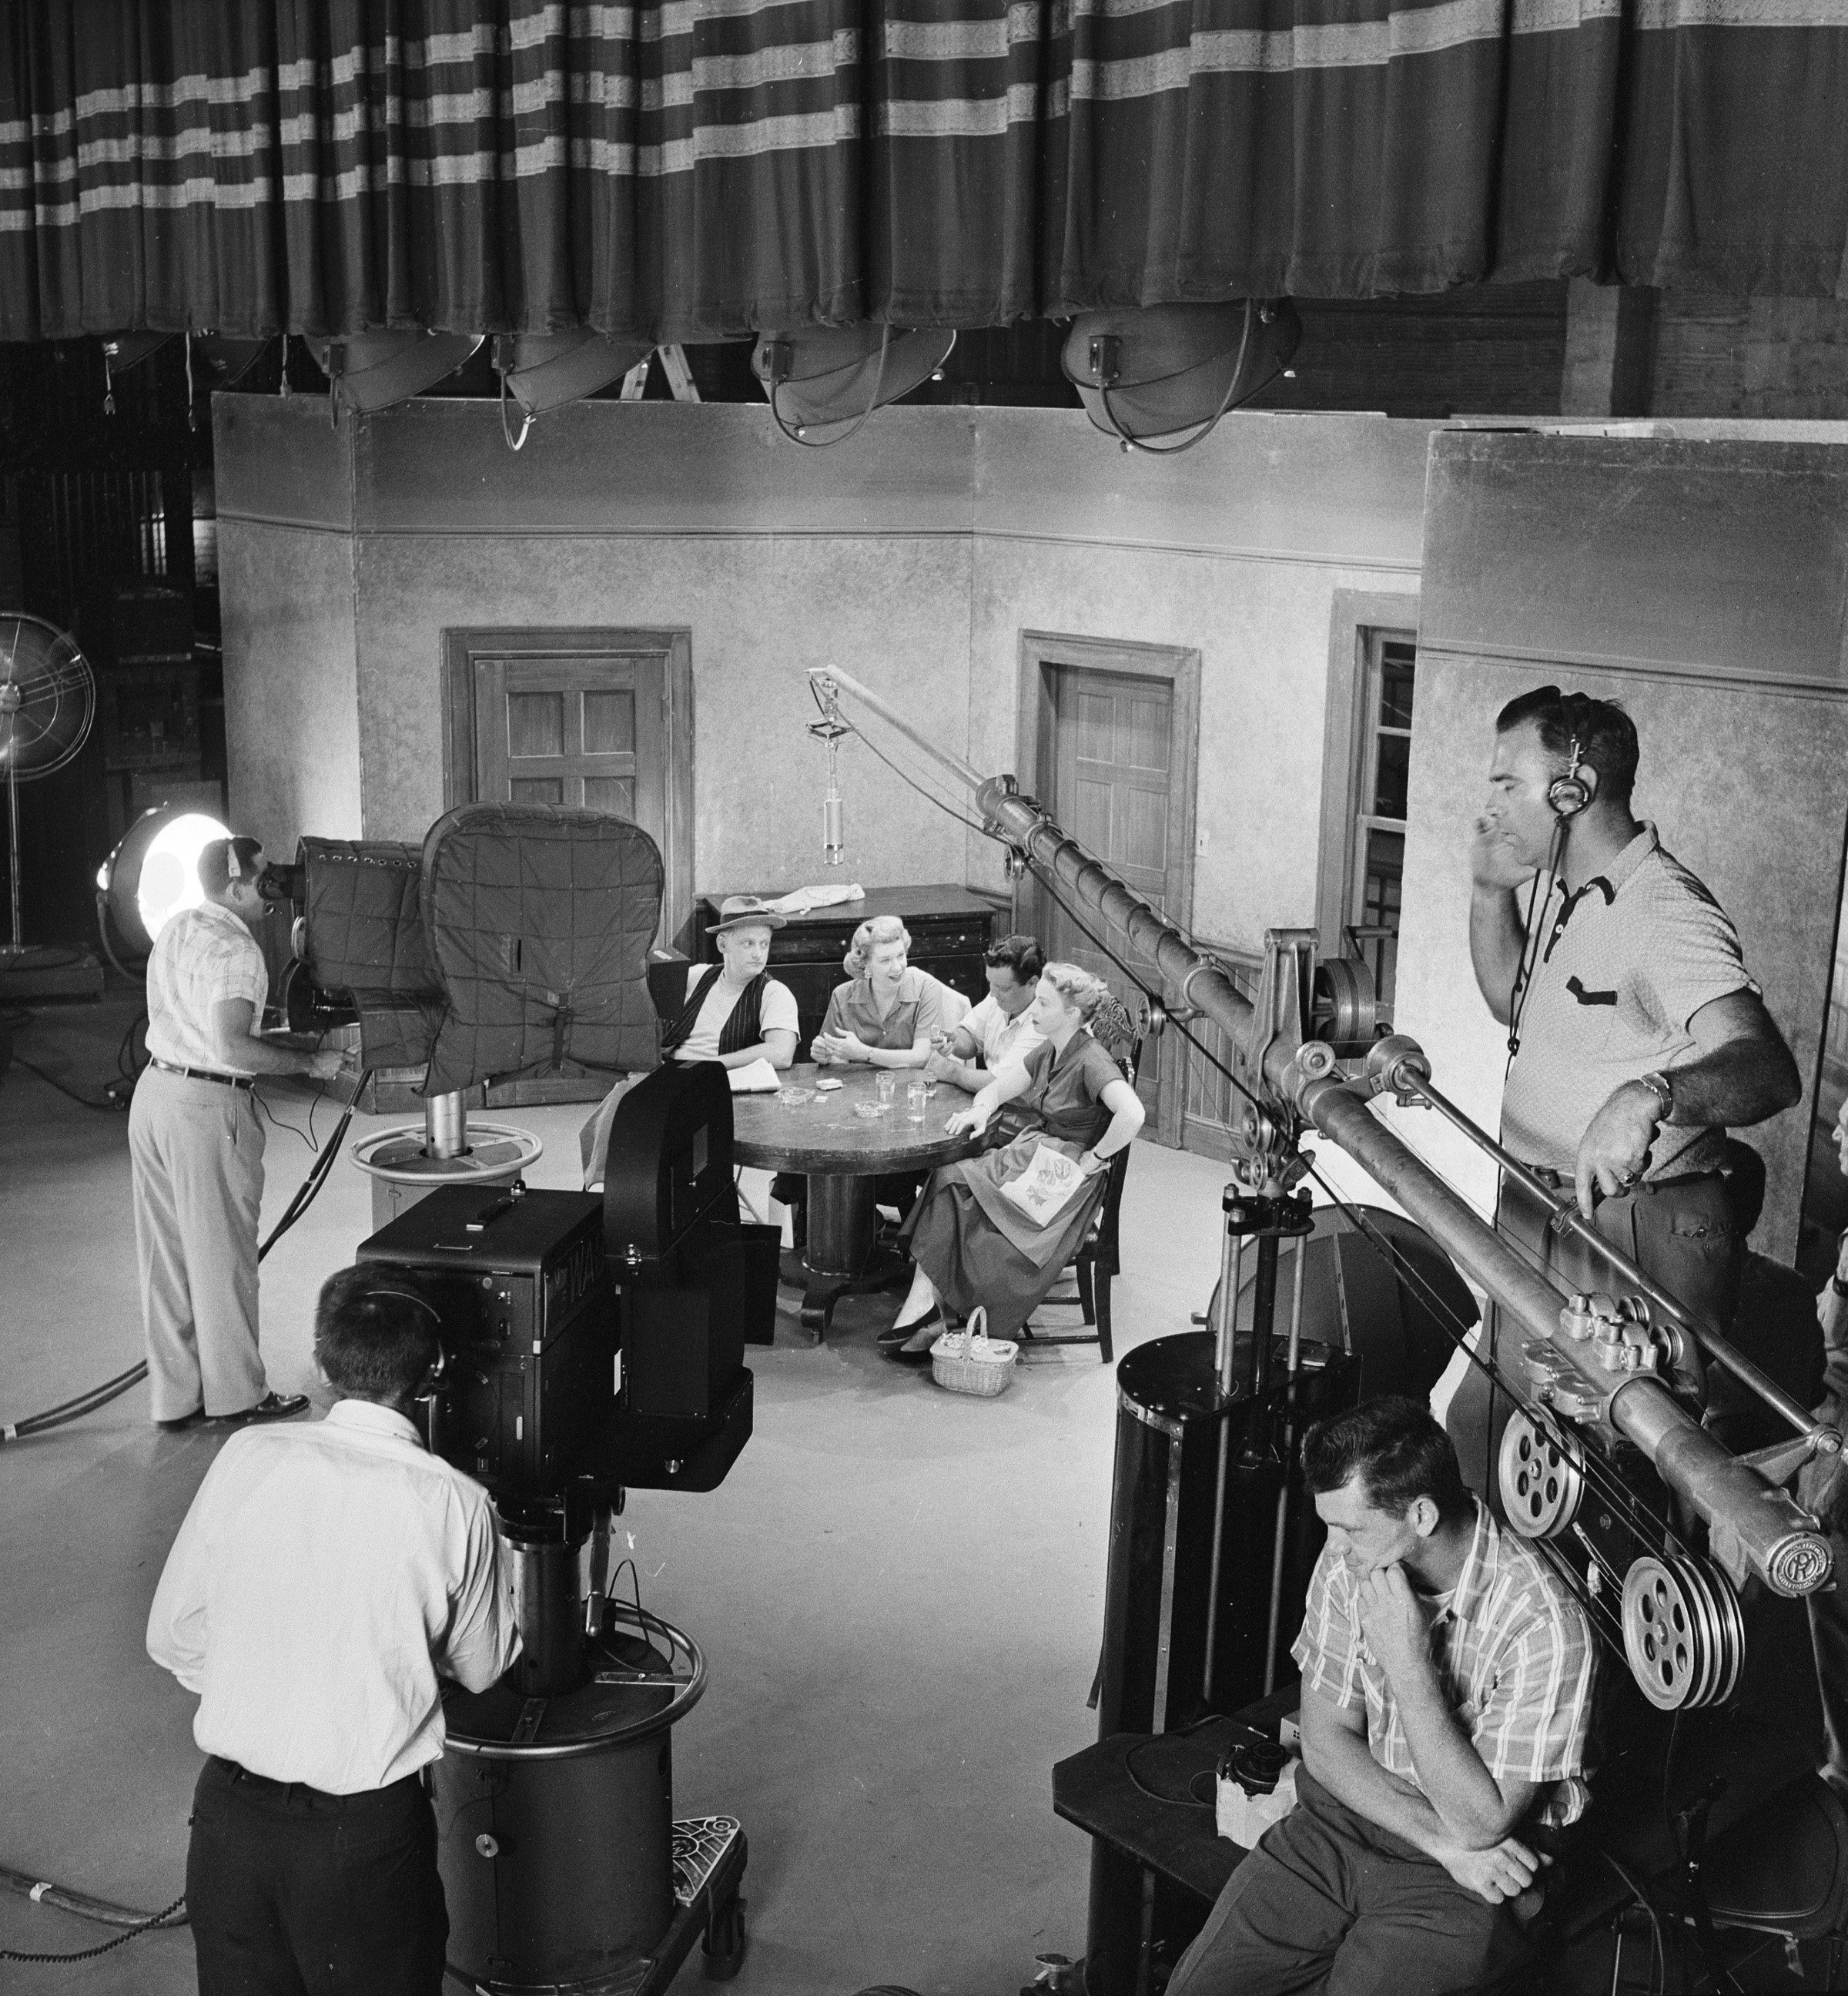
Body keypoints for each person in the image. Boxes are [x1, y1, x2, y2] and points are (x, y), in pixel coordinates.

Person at [1453, 686, 1799, 1483]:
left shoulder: (1662, 910)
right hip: (1543, 1212)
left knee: (1620, 1465)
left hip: (1633, 1226)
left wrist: (1650, 1094)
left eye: (1509, 783)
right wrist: (1487, 891)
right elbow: (1512, 1000)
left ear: (1572, 789)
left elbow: (1766, 1067)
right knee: (1498, 1434)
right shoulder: (1573, 896)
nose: (1492, 803)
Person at [146, 1270, 521, 1995]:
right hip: (360, 1840)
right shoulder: (455, 1503)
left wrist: (276, 1668)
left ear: (320, 1363)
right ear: (434, 1372)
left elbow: (175, 1637)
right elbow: (481, 1669)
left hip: (226, 1824)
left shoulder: (246, 1457)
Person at [1167, 1397, 1599, 1996]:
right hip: (1352, 1817)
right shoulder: (1353, 1559)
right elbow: (1323, 1741)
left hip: (1478, 1877)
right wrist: (1442, 1841)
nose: (1334, 1548)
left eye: (1348, 1527)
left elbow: (1480, 1821)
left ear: (1420, 1515)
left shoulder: (1546, 1622)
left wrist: (1409, 1667)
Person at [129, 833, 343, 1430]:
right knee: (223, 1257)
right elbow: (230, 1046)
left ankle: (177, 1399)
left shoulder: (177, 927)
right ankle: (238, 1397)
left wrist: (292, 1042)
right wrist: (311, 1063)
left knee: (168, 1257)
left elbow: (201, 1026)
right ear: (233, 886)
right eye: (260, 881)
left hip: (156, 1095)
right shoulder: (236, 951)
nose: (270, 892)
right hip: (205, 1110)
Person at [884, 960, 1143, 1361]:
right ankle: (929, 1306)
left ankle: (933, 1309)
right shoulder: (1051, 1048)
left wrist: (1096, 1156)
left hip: (1064, 1174)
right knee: (949, 1178)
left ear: (1071, 1014)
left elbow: (1133, 1115)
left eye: (1043, 1004)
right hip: (1038, 1154)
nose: (1033, 1011)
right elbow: (1003, 1086)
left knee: (957, 1185)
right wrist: (980, 1109)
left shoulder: (1092, 1060)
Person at [578, 894, 798, 1187]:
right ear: (723, 945)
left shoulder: (774, 992)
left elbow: (782, 1053)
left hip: (715, 1086)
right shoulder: (698, 976)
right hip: (674, 1072)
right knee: (626, 1094)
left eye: (764, 944)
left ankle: (615, 1189)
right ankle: (613, 1189)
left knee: (634, 1102)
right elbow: (643, 991)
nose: (759, 953)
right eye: (748, 943)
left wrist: (711, 1064)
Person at [811, 913, 946, 1070]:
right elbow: (837, 1061)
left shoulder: (927, 989)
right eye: (885, 960)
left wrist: (865, 1053)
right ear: (865, 964)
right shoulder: (841, 996)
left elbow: (922, 1058)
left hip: (913, 1088)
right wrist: (825, 1055)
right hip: (858, 1090)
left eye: (900, 956)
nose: (897, 967)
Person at [925, 932, 1046, 1093]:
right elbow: (972, 1039)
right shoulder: (998, 995)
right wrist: (953, 1042)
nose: (993, 993)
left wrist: (951, 1071)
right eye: (991, 983)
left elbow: (1000, 1084)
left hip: (1023, 1114)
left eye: (1002, 988)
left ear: (1032, 983)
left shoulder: (1044, 1021)